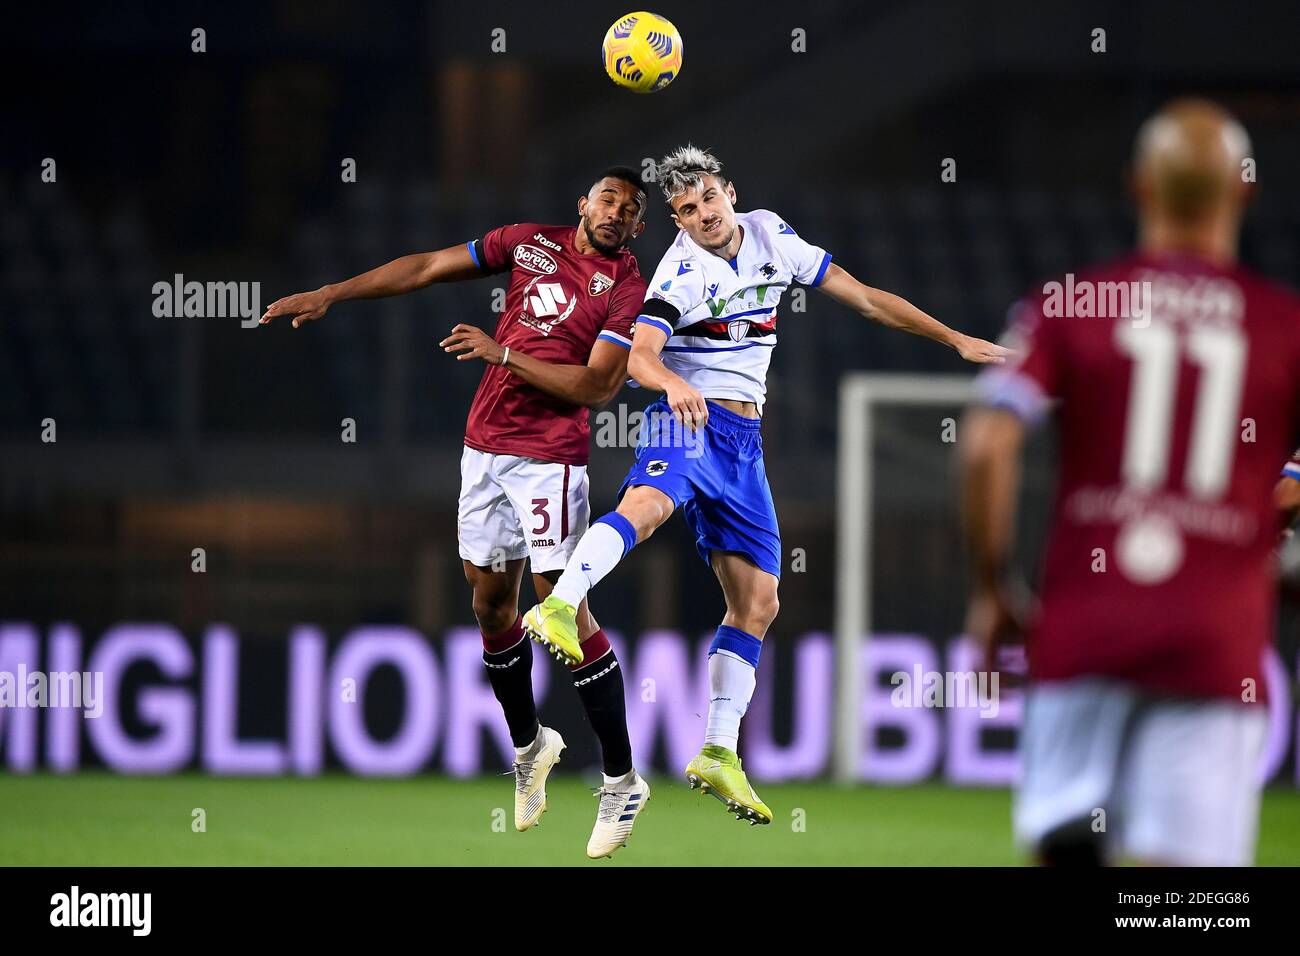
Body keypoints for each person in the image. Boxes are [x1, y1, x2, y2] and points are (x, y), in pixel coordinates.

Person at [526, 145, 1009, 825]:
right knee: (649, 507)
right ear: (676, 219)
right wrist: (673, 384)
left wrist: (957, 341)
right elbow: (640, 356)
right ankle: (559, 605)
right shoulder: (682, 271)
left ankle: (718, 753)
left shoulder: (772, 235)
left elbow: (865, 298)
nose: (702, 216)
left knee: (758, 601)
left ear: (729, 191)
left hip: (744, 445)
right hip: (684, 419)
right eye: (686, 211)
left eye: (709, 200)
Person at [260, 168, 652, 859]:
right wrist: (332, 293)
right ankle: (532, 747)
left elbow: (599, 384)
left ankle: (621, 778)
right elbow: (428, 266)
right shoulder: (529, 243)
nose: (617, 211)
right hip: (483, 450)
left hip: (550, 456)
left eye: (631, 208)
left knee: (559, 608)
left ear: (638, 227)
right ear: (582, 203)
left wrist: (504, 352)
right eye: (608, 198)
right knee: (489, 605)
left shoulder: (626, 288)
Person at [961, 99, 1300, 865]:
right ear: (1242, 192)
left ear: (1140, 186)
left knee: (1071, 848)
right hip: (1215, 649)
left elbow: (986, 443)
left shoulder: (1070, 306)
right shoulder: (1282, 325)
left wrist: (991, 590)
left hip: (1085, 635)